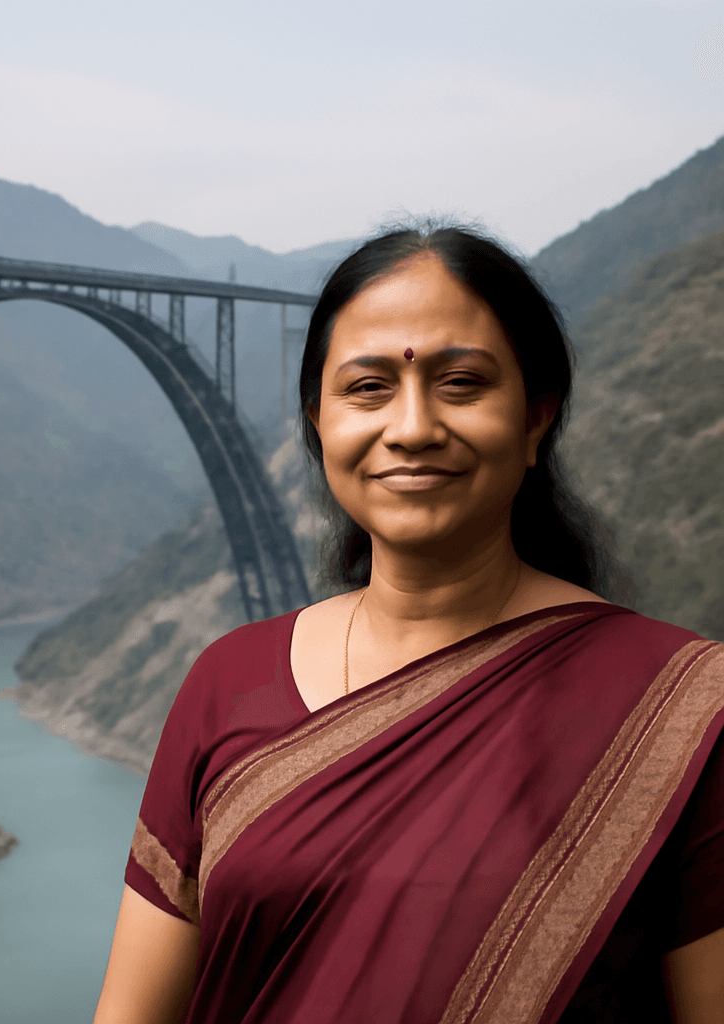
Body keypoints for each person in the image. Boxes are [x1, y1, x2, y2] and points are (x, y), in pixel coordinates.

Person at [92, 223, 724, 1024]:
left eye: (462, 383)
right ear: (317, 421)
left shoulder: (682, 708)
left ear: (536, 419)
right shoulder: (229, 680)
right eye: (367, 388)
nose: (415, 427)